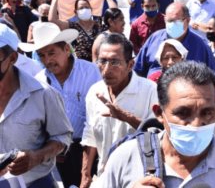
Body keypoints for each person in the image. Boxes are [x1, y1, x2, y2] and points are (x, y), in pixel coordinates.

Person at [98, 61, 215, 187]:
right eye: (183, 113)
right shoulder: (126, 158)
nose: (196, 124)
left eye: (206, 113)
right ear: (159, 113)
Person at [18, 22, 102, 188]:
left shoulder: (91, 72)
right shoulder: (39, 81)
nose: (47, 60)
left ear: (66, 49)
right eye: (41, 55)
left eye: (51, 53)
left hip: (90, 147)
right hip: (59, 151)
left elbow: (98, 113)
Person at [80, 33, 158, 187]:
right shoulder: (95, 92)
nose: (107, 69)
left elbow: (158, 135)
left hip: (138, 178)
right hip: (105, 176)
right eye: (102, 61)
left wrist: (126, 117)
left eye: (115, 62)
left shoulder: (150, 91)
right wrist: (85, 175)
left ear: (130, 65)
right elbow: (90, 136)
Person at [0, 24, 72, 187]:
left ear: (12, 58)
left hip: (35, 183)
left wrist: (36, 157)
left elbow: (62, 136)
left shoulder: (43, 94)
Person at [134, 2, 215, 78]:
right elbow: (137, 70)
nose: (172, 24)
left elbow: (213, 79)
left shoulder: (201, 46)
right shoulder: (154, 39)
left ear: (188, 20)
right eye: (169, 21)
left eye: (176, 21)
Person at [49, 0, 117, 61]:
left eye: (87, 7)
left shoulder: (99, 25)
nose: (85, 9)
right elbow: (52, 20)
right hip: (83, 68)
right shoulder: (72, 26)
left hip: (101, 66)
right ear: (76, 12)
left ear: (91, 10)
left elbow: (115, 14)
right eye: (81, 8)